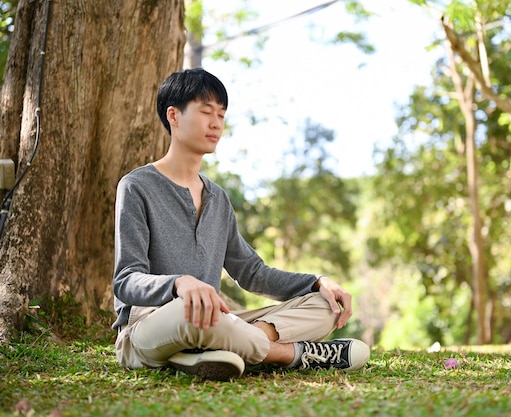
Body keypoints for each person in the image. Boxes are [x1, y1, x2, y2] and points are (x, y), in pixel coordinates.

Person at [112, 68, 370, 381]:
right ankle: (294, 355)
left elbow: (253, 273)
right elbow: (125, 280)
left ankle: (213, 351)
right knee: (193, 314)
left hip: (216, 321)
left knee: (325, 307)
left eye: (221, 114)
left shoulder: (217, 199)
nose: (216, 123)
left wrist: (318, 282)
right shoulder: (137, 186)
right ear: (174, 116)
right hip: (151, 324)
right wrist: (179, 283)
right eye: (206, 112)